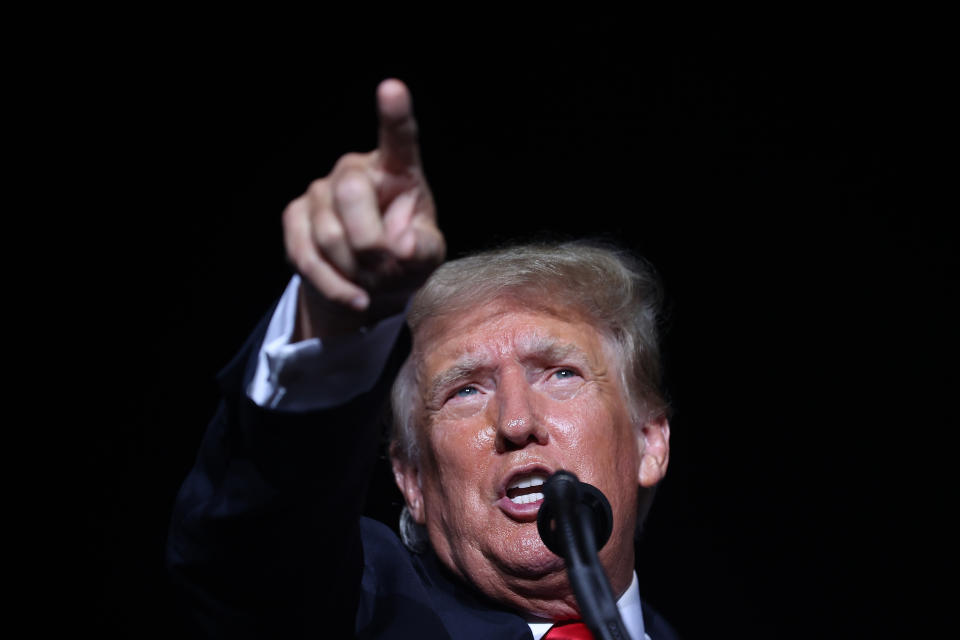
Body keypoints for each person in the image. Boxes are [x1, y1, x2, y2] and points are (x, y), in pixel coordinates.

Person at [167, 79, 678, 639]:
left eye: (560, 374)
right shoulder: (368, 610)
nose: (515, 422)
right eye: (466, 390)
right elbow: (256, 561)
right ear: (412, 482)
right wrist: (336, 322)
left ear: (649, 442)